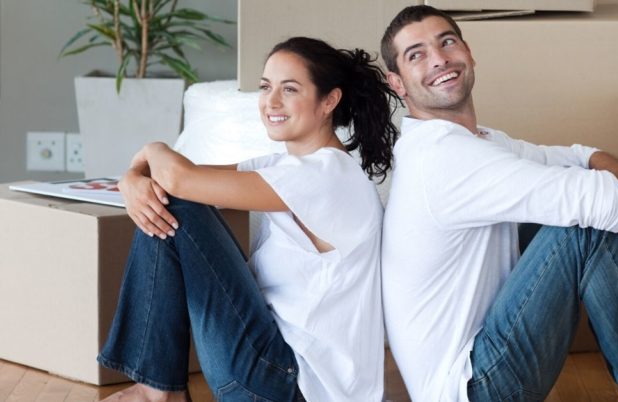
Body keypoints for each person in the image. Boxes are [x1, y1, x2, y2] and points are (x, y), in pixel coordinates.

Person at [379, 6, 618, 402]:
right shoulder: (443, 158)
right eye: (416, 54)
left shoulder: (476, 141)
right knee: (584, 226)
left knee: (578, 207)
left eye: (446, 42)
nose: (439, 59)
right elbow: (600, 200)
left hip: (480, 365)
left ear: (468, 52)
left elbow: (582, 156)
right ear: (397, 83)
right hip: (473, 388)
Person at [97, 36, 399, 402]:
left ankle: (155, 390)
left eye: (289, 89)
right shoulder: (288, 167)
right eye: (265, 87)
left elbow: (177, 180)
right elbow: (176, 175)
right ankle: (157, 389)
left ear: (329, 101)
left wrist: (153, 149)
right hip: (273, 370)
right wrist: (132, 180)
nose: (271, 102)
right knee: (172, 198)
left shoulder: (327, 176)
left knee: (177, 202)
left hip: (289, 385)